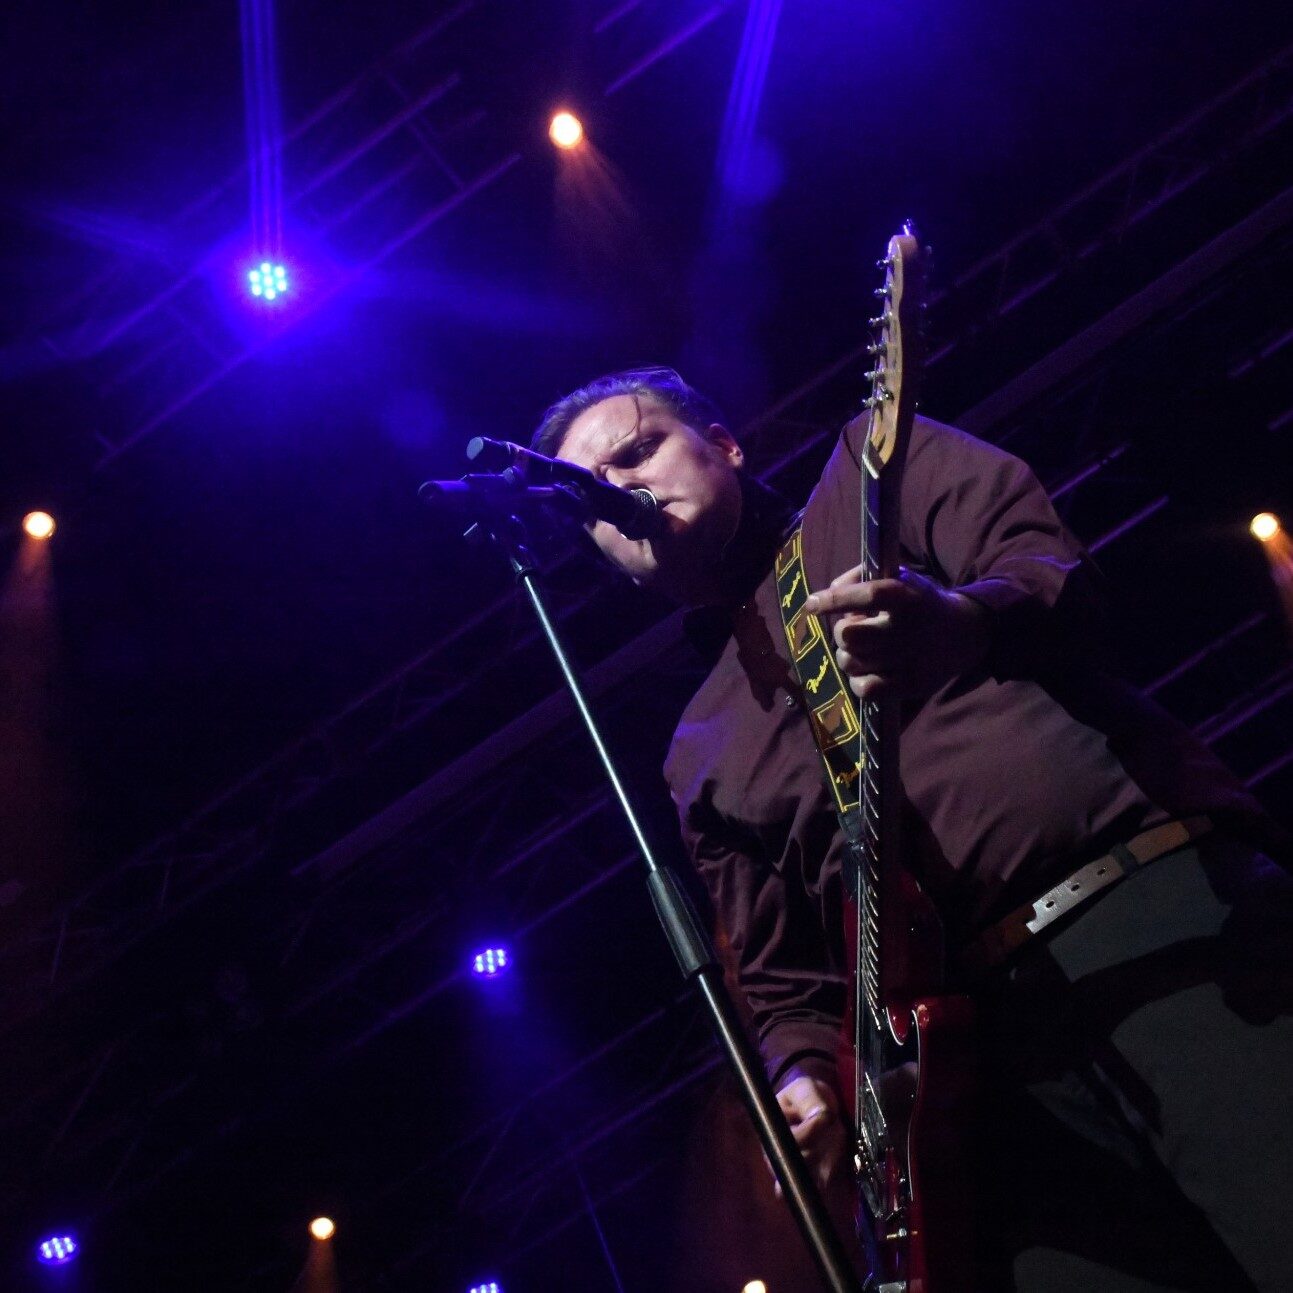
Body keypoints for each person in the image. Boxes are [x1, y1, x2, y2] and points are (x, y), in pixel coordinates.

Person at [531, 366, 1293, 1291]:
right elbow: (783, 986)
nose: (620, 491)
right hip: (981, 1081)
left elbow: (1052, 569)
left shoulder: (869, 471)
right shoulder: (698, 751)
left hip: (1155, 916)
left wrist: (960, 621)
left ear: (725, 444)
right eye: (589, 499)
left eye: (637, 451)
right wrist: (802, 1081)